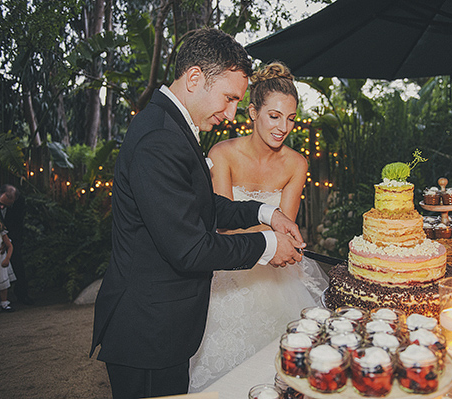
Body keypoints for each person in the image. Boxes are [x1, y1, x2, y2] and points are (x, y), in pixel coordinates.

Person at [90, 28, 306, 398]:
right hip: (147, 331)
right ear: (194, 78)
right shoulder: (159, 138)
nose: (232, 111)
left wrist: (267, 214)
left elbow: (205, 207)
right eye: (228, 97)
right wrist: (268, 246)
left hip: (164, 327)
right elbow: (190, 248)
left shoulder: (172, 126)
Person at [189, 61, 329, 391]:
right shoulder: (222, 154)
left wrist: (279, 239)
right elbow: (223, 227)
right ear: (253, 112)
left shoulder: (297, 163)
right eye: (274, 116)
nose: (283, 127)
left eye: (291, 118)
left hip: (279, 279)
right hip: (229, 272)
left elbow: (286, 228)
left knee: (286, 376)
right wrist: (271, 239)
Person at [0, 184, 33, 305]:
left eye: (7, 205)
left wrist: (8, 242)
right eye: (0, 203)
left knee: (17, 261)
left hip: (8, 236)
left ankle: (22, 295)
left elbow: (17, 224)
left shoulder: (19, 202)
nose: (2, 207)